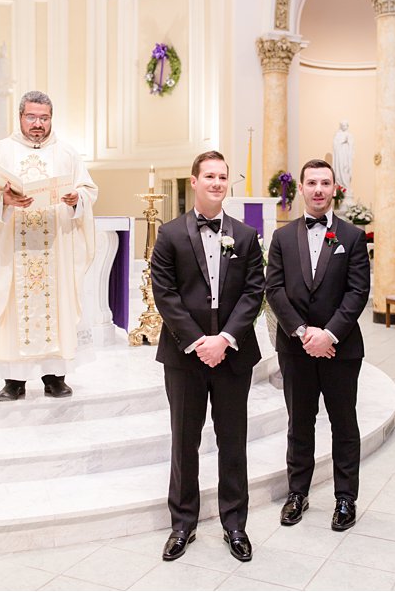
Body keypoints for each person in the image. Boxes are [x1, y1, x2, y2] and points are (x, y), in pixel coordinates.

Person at [149, 150, 264, 562]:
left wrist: (226, 339)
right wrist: (199, 340)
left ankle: (235, 524)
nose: (216, 183)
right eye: (209, 176)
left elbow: (254, 291)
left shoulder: (246, 236)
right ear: (194, 181)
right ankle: (183, 523)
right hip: (185, 356)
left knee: (233, 441)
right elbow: (164, 292)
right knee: (185, 441)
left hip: (232, 355)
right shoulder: (170, 234)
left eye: (222, 177)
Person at [0, 90, 99, 401]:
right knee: (13, 309)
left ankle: (55, 377)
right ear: (20, 118)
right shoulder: (1, 151)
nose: (38, 124)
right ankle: (13, 381)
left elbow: (87, 190)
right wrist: (2, 198)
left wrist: (75, 200)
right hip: (13, 249)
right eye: (32, 117)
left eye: (44, 118)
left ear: (51, 119)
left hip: (54, 248)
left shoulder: (67, 154)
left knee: (57, 307)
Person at [265, 159, 370, 531]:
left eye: (326, 183)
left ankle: (345, 498)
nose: (319, 190)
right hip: (296, 348)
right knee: (299, 423)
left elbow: (358, 292)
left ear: (334, 189)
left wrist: (329, 334)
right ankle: (298, 493)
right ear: (302, 189)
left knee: (344, 424)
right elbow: (273, 289)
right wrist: (303, 332)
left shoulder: (353, 237)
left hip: (341, 349)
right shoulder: (282, 238)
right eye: (312, 183)